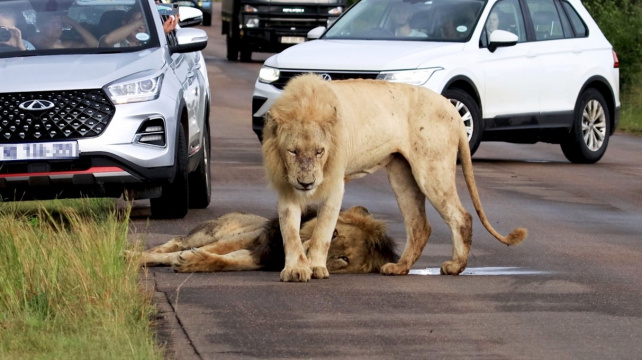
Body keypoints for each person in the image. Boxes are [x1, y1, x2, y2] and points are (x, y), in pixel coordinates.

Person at [29, 12, 98, 49]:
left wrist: (73, 23)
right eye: (52, 22)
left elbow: (95, 45)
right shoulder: (35, 39)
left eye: (58, 22)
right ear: (41, 27)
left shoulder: (63, 44)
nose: (56, 26)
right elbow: (51, 47)